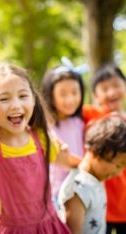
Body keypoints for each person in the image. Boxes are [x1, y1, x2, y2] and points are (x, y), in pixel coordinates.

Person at [0, 63, 81, 233]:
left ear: (33, 99)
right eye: (4, 98)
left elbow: (73, 163)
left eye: (23, 96)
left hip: (47, 227)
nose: (15, 105)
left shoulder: (42, 138)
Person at [58, 115, 126, 234]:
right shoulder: (78, 189)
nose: (119, 173)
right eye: (118, 165)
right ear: (95, 152)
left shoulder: (95, 178)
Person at [83, 63, 126, 234]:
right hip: (99, 203)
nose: (111, 92)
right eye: (104, 89)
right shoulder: (92, 116)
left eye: (116, 85)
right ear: (96, 96)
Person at [41, 66, 85, 208]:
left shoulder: (80, 123)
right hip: (55, 193)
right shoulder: (46, 126)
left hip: (80, 190)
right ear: (51, 95)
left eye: (74, 92)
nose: (70, 99)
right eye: (63, 94)